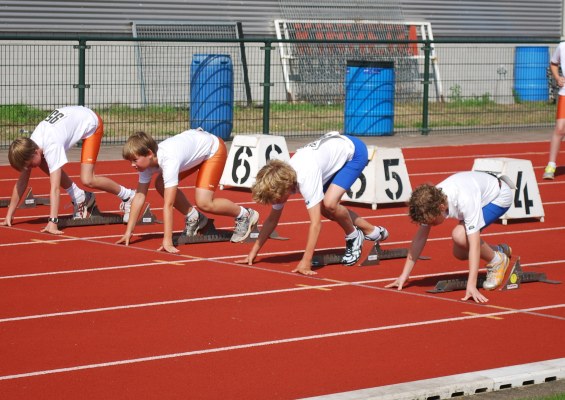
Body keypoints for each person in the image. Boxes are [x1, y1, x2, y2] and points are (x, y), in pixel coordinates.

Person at [238, 131, 389, 276]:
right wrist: (253, 252)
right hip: (330, 156)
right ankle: (373, 232)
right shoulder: (283, 180)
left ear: (285, 188)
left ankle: (353, 236)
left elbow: (316, 224)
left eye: (276, 199)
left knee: (329, 204)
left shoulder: (305, 178)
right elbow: (272, 219)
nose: (275, 203)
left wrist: (306, 261)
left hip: (355, 153)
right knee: (324, 207)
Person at [116, 129, 259, 253]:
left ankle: (245, 215)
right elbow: (139, 196)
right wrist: (129, 232)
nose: (132, 165)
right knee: (160, 183)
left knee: (204, 202)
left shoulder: (169, 161)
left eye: (134, 160)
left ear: (149, 153)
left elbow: (168, 205)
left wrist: (167, 241)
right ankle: (194, 217)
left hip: (212, 149)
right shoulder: (146, 164)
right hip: (194, 146)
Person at [1, 106, 135, 234]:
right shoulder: (31, 145)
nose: (29, 168)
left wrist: (53, 221)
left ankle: (128, 196)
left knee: (88, 179)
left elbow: (55, 188)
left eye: (29, 164)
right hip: (75, 117)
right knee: (42, 162)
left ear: (35, 152)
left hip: (92, 123)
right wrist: (9, 214)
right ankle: (80, 196)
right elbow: (21, 182)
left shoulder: (51, 145)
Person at [386, 171, 515, 303]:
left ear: (441, 207)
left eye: (432, 222)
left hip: (499, 197)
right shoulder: (429, 202)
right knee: (459, 252)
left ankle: (497, 260)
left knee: (460, 236)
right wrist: (404, 275)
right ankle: (498, 250)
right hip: (478, 192)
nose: (431, 225)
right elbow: (419, 238)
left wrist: (471, 284)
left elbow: (474, 244)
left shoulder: (464, 200)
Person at [543, 41, 565, 180]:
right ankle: (551, 165)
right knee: (560, 128)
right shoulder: (562, 47)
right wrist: (557, 78)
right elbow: (553, 63)